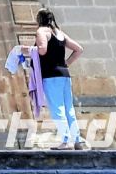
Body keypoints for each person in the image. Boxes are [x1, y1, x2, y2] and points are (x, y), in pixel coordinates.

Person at [27, 9, 85, 149]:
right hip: (64, 75)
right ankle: (77, 140)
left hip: (51, 76)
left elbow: (42, 50)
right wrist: (67, 64)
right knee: (69, 109)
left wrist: (27, 50)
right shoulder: (60, 33)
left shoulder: (42, 32)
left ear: (39, 19)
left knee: (57, 109)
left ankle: (66, 141)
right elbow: (79, 49)